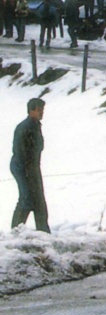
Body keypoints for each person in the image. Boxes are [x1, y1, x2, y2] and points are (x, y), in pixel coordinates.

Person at [10, 98, 49, 233]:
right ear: (31, 110)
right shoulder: (24, 127)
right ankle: (16, 231)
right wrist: (29, 172)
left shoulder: (36, 125)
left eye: (43, 110)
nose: (42, 112)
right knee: (26, 197)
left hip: (32, 166)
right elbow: (21, 152)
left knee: (39, 199)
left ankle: (43, 232)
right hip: (22, 167)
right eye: (39, 110)